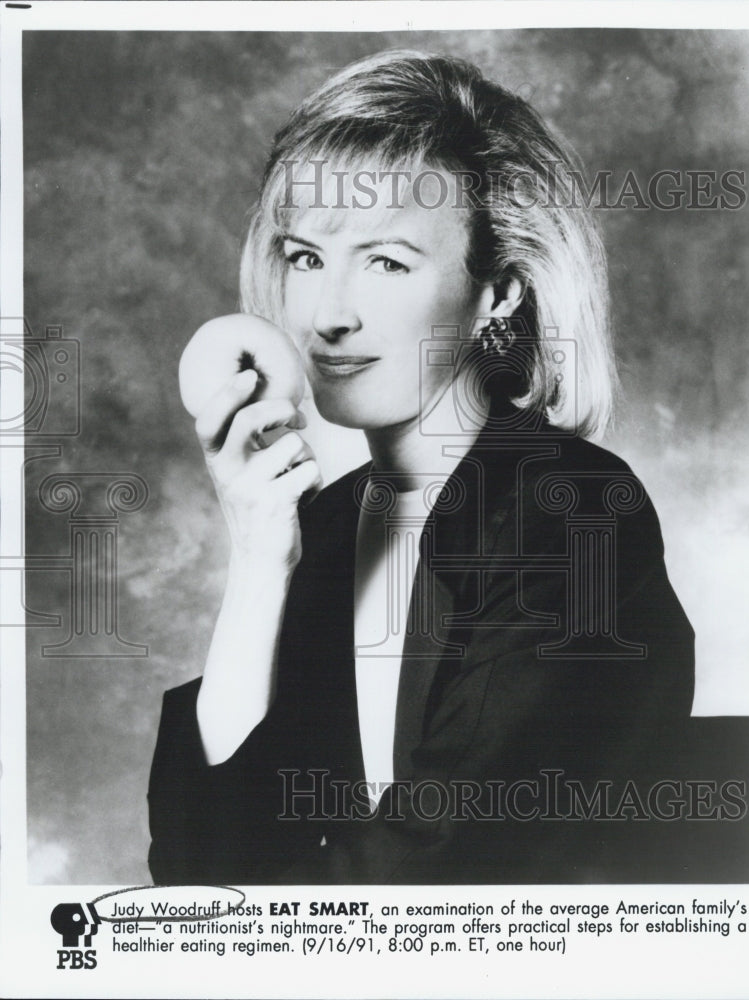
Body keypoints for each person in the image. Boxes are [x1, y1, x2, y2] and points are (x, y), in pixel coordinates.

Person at [148, 50, 694, 885]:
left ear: (498, 293)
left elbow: (436, 881)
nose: (328, 316)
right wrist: (260, 554)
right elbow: (199, 877)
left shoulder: (576, 513)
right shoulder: (325, 530)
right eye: (305, 257)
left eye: (387, 262)